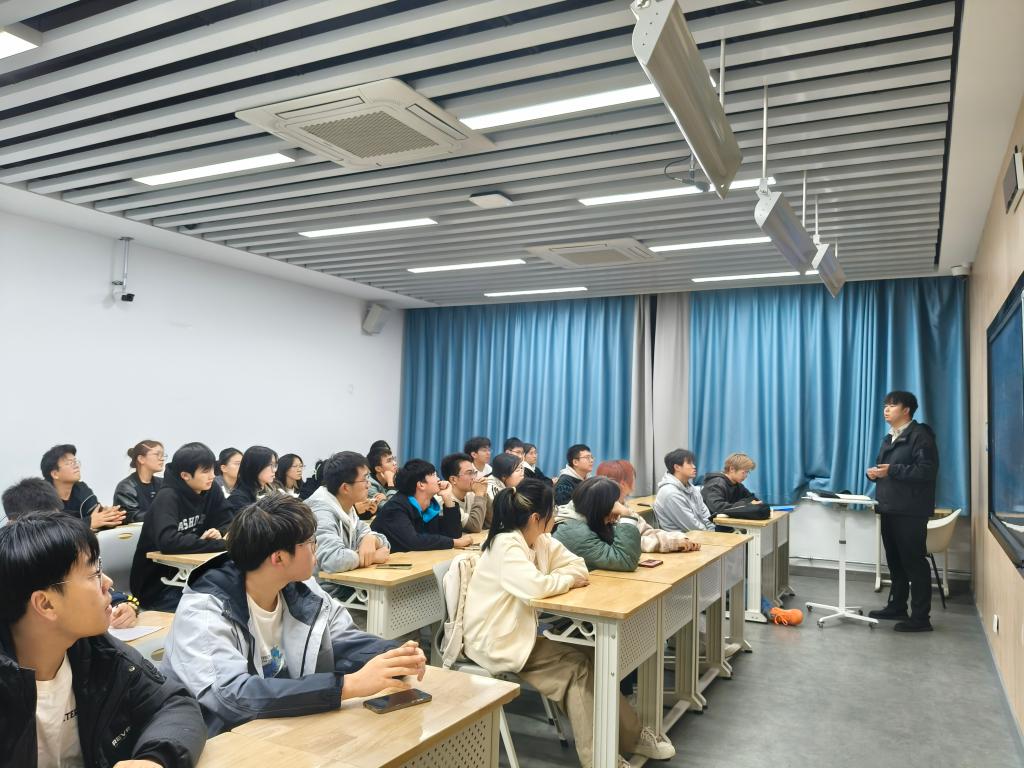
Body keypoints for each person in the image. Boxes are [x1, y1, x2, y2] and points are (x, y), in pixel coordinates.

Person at [161, 494, 425, 736]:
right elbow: (232, 697)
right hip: (219, 739)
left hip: (282, 726)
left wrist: (394, 655)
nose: (316, 549)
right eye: (310, 542)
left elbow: (341, 639)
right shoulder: (205, 612)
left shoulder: (301, 589)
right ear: (278, 558)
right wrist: (347, 686)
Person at [462, 480, 674, 768]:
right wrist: (564, 581)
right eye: (552, 510)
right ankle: (599, 760)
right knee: (577, 670)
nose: (557, 513)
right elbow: (536, 587)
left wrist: (560, 579)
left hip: (521, 633)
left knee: (598, 657)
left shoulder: (540, 540)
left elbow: (577, 565)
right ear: (536, 517)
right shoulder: (505, 544)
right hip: (497, 640)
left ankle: (632, 737)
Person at [0, 512, 207, 767]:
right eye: (94, 573)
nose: (108, 582)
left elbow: (174, 705)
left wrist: (153, 759)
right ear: (46, 604)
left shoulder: (97, 651)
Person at [1, 480, 142, 630]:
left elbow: (95, 589)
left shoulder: (60, 551)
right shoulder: (16, 566)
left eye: (56, 520)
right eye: (48, 524)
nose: (56, 530)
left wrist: (125, 605)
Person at [866, 390, 939, 633]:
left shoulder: (921, 436)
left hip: (910, 511)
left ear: (906, 410)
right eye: (885, 405)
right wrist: (875, 474)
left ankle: (921, 618)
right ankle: (897, 606)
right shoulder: (890, 437)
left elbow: (926, 471)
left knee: (914, 562)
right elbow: (888, 469)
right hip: (889, 507)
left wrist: (892, 470)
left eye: (892, 405)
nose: (886, 410)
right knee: (895, 561)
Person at [131, 442, 231, 611]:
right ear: (185, 475)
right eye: (205, 471)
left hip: (193, 576)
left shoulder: (210, 489)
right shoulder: (167, 497)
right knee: (217, 608)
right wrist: (219, 544)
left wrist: (219, 532)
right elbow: (168, 541)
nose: (212, 476)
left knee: (236, 594)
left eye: (213, 470)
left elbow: (229, 519)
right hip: (158, 586)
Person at [307, 451, 390, 599]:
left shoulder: (346, 507)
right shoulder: (320, 512)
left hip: (347, 590)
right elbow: (333, 560)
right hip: (322, 597)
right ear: (345, 488)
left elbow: (384, 544)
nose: (369, 484)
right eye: (365, 479)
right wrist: (372, 557)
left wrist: (371, 539)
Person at [595, 460, 702, 554]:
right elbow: (630, 542)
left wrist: (678, 537)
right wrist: (671, 543)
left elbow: (646, 531)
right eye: (632, 477)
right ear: (623, 483)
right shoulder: (607, 512)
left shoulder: (623, 505)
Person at [370, 459, 473, 551]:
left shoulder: (430, 505)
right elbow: (413, 541)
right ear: (421, 485)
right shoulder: (396, 508)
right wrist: (454, 543)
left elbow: (454, 534)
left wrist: (447, 498)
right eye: (434, 475)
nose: (438, 479)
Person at [553, 477, 642, 571]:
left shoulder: (591, 518)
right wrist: (626, 514)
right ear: (601, 507)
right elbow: (625, 560)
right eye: (613, 503)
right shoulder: (573, 532)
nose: (617, 508)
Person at [40, 444, 125, 530]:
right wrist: (88, 523)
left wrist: (108, 518)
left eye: (75, 462)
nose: (76, 466)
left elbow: (96, 518)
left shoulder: (82, 490)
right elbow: (49, 530)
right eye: (69, 463)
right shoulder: (41, 497)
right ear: (55, 474)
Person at [653, 449, 715, 532]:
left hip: (700, 534)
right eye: (689, 463)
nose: (694, 466)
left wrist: (712, 530)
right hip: (682, 538)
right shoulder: (670, 493)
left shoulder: (691, 488)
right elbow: (692, 527)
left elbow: (705, 514)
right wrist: (711, 535)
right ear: (677, 467)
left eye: (693, 463)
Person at [700, 453, 770, 521]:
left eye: (747, 472)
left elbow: (752, 498)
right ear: (732, 469)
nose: (746, 475)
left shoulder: (737, 484)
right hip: (711, 524)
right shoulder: (716, 483)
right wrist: (747, 505)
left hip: (727, 522)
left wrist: (746, 504)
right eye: (744, 472)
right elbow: (717, 508)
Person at [113, 440, 165, 522]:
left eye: (162, 455)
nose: (162, 459)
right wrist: (166, 514)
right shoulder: (126, 487)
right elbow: (132, 516)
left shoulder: (163, 483)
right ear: (141, 459)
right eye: (157, 455)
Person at [440, 452, 490, 533]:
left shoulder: (470, 494)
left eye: (474, 472)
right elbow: (475, 526)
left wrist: (484, 493)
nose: (474, 477)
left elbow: (490, 521)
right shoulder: (444, 499)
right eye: (470, 473)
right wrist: (479, 494)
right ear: (453, 479)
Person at [226, 446, 278, 515]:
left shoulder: (273, 491)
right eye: (270, 465)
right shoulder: (238, 499)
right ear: (255, 466)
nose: (274, 470)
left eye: (275, 465)